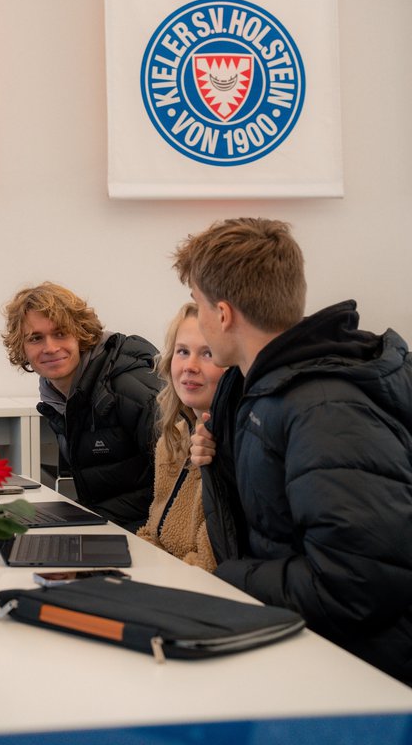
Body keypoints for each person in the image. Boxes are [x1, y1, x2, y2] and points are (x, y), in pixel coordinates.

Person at [174, 217, 412, 685]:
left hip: (361, 680)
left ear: (223, 315)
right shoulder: (258, 391)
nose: (200, 321)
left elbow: (356, 583)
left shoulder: (324, 408)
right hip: (308, 654)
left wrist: (227, 581)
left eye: (199, 307)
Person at [2, 282, 160, 531]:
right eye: (36, 338)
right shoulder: (61, 396)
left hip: (148, 533)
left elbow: (181, 485)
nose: (50, 348)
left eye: (61, 333)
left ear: (82, 334)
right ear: (21, 347)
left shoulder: (130, 387)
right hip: (110, 522)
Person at [136, 303, 222, 571]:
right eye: (182, 351)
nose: (190, 366)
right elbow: (153, 533)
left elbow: (210, 565)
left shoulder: (230, 448)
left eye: (207, 353)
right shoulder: (173, 438)